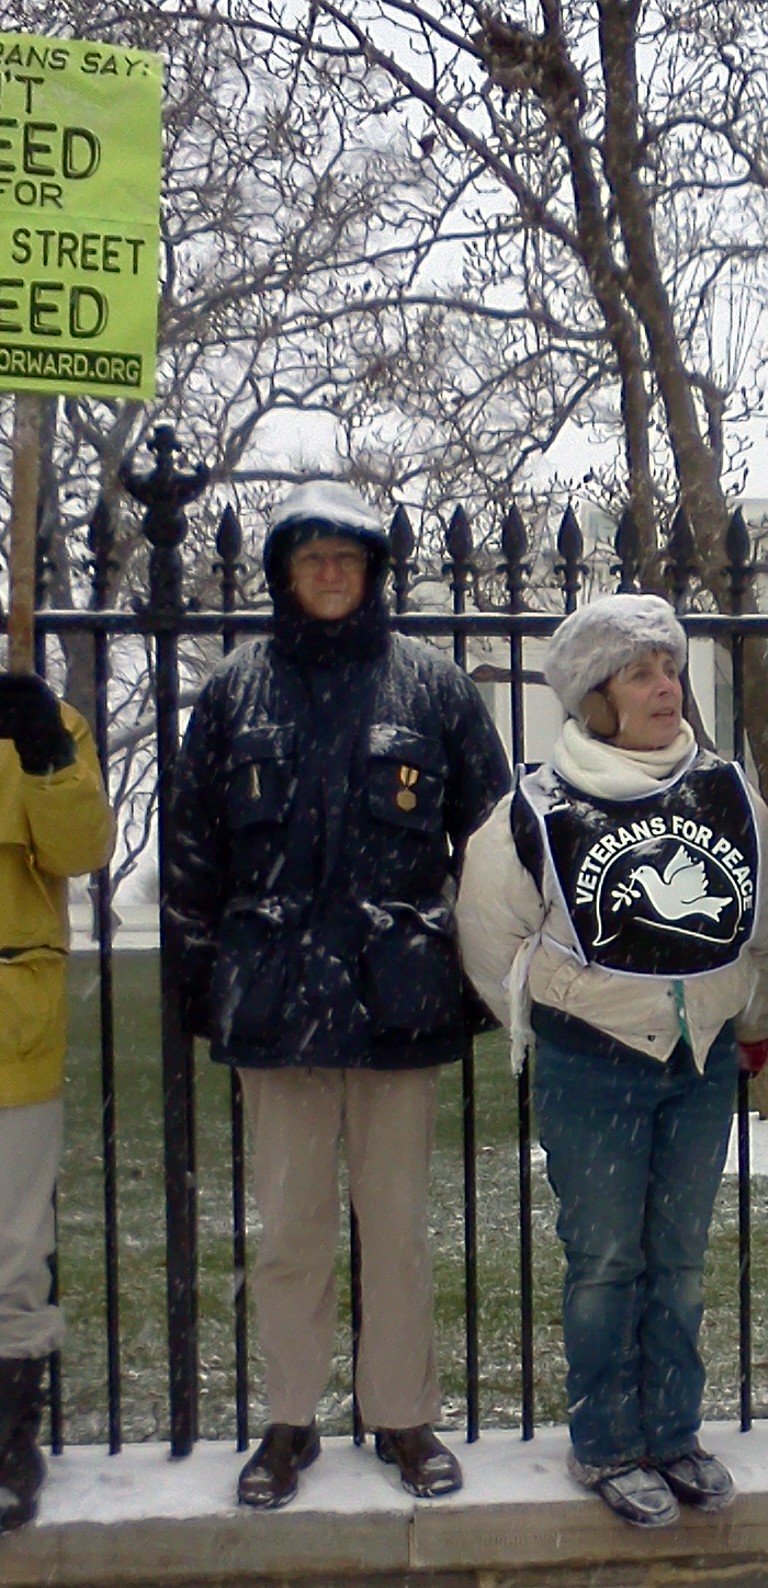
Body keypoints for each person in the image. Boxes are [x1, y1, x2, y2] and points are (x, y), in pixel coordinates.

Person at [166, 480, 509, 1509]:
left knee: (397, 1227)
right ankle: (288, 1418)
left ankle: (402, 1413)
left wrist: (480, 983)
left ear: (371, 573)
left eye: (347, 559)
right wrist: (198, 990)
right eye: (311, 557)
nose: (329, 573)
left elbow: (493, 843)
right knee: (292, 1230)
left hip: (397, 1005)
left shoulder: (433, 688)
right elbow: (191, 852)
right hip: (273, 1006)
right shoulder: (234, 692)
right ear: (283, 572)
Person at [457, 595, 768, 1528]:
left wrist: (746, 1020)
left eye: (670, 668)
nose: (664, 686)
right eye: (639, 672)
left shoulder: (727, 792)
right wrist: (562, 1012)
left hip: (702, 1059)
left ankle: (673, 1433)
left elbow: (762, 926)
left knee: (677, 1259)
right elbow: (489, 936)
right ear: (593, 696)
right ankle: (606, 1441)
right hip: (592, 1062)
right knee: (605, 1259)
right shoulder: (536, 805)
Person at [0, 670, 114, 1533]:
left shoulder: (48, 722)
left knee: (13, 1250)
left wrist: (44, 753)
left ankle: (8, 1443)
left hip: (11, 1027)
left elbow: (80, 849)